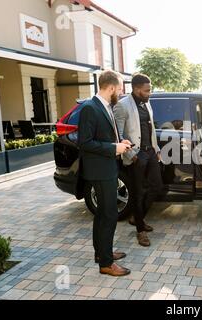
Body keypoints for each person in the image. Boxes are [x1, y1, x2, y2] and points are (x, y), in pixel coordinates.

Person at [78, 70, 132, 276]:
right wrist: (113, 148)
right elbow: (85, 142)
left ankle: (102, 254)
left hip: (107, 168)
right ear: (111, 87)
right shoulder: (90, 108)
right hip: (100, 171)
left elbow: (104, 136)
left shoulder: (105, 106)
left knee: (103, 214)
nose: (120, 92)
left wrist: (120, 143)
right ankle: (106, 264)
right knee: (109, 215)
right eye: (119, 88)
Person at [113, 73, 163, 247]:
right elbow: (118, 134)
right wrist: (131, 155)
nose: (150, 93)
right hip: (136, 154)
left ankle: (137, 218)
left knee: (157, 186)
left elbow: (151, 128)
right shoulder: (122, 106)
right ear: (136, 89)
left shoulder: (146, 103)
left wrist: (156, 149)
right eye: (147, 90)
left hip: (150, 153)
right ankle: (140, 230)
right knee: (137, 193)